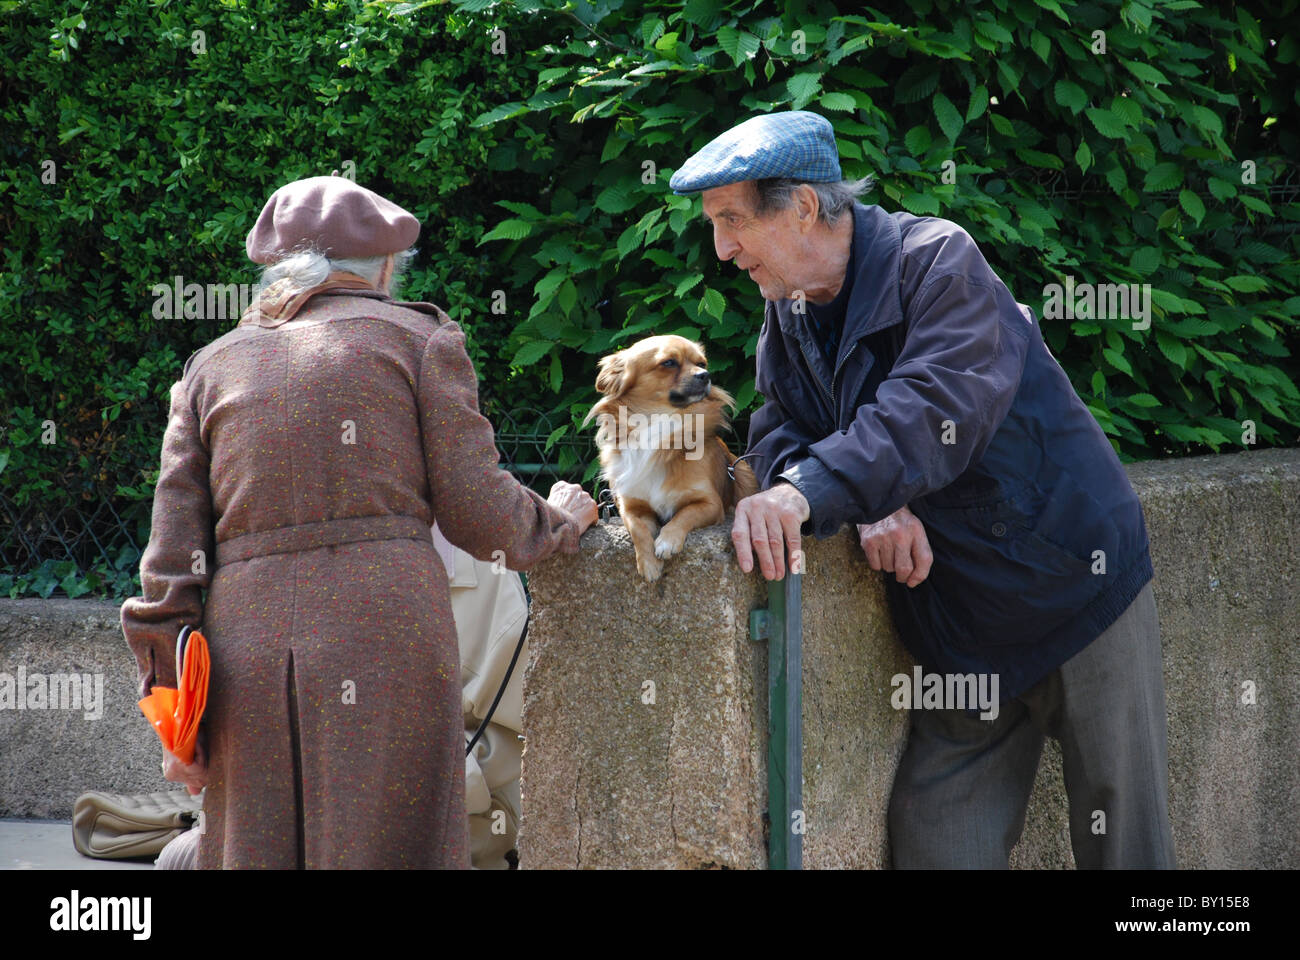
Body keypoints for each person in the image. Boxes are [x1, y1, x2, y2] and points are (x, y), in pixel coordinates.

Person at [669, 111, 1176, 869]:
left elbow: (933, 407)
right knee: (937, 842)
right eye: (715, 225)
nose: (723, 249)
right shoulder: (790, 309)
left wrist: (814, 492)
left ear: (804, 207)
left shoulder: (937, 262)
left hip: (1074, 585)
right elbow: (777, 432)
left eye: (733, 220)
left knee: (1125, 845)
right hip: (961, 624)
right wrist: (862, 496)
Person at [122, 175, 597, 869]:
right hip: (389, 638)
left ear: (279, 271)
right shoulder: (419, 340)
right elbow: (481, 513)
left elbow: (168, 568)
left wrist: (173, 715)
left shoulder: (209, 369)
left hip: (245, 653)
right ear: (382, 267)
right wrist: (558, 521)